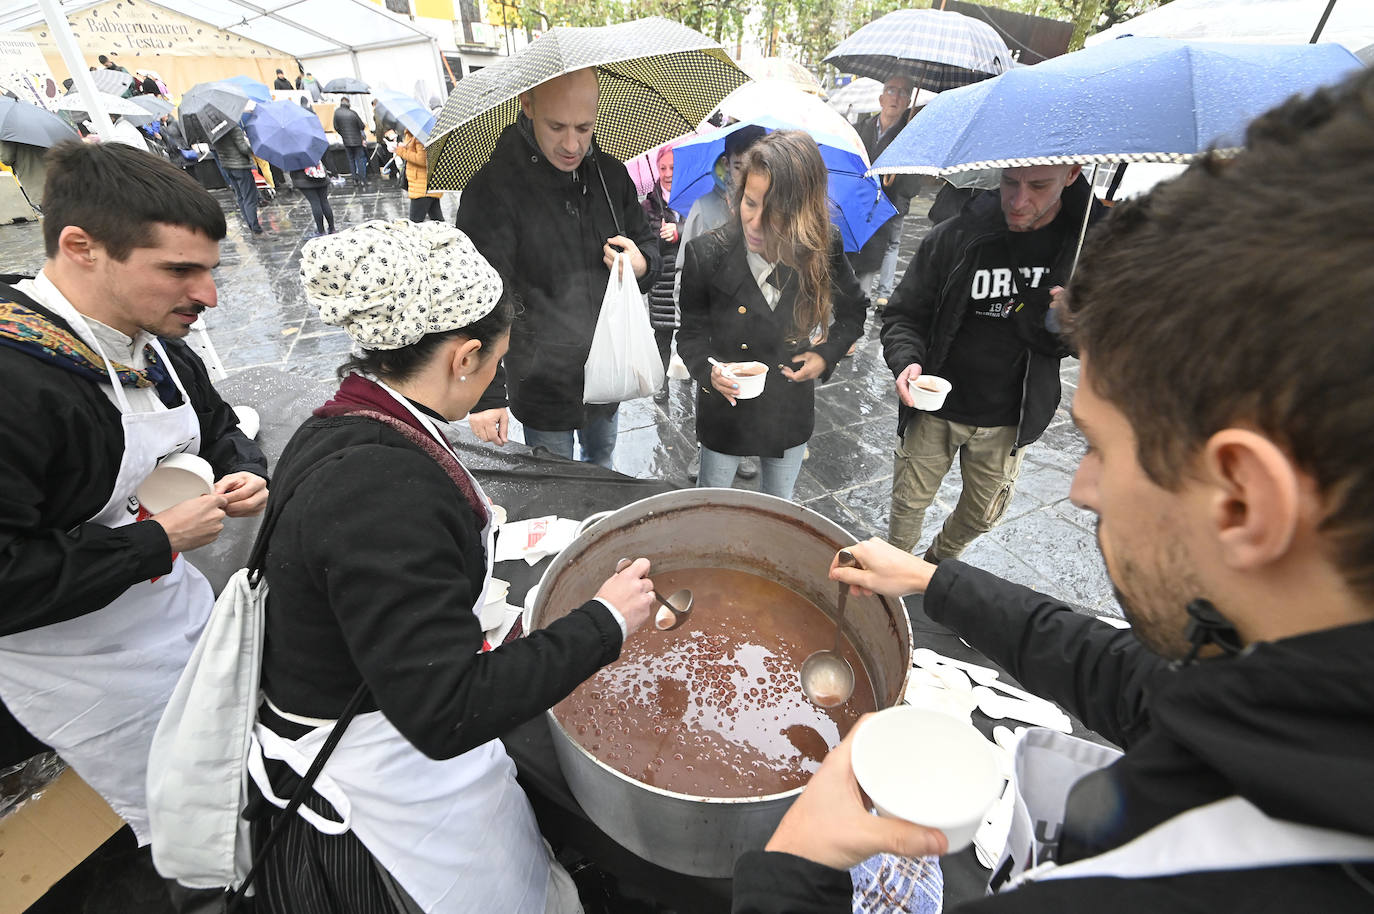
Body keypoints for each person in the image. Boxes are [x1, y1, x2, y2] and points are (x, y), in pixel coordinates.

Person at [735, 66, 1374, 913]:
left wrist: (791, 869)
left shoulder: (1180, 877)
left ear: (1243, 498)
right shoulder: (1296, 703)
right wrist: (932, 582)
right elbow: (1137, 682)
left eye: (1102, 447)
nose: (1079, 489)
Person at [247, 219, 657, 913]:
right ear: (463, 358)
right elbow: (448, 712)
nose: (497, 373)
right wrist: (606, 623)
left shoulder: (348, 420)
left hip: (377, 709)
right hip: (378, 785)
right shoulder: (381, 491)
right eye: (496, 360)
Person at [0, 140, 269, 847]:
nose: (208, 298)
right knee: (196, 822)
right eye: (179, 270)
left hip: (179, 609)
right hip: (82, 669)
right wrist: (156, 540)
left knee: (246, 774)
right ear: (81, 247)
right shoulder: (16, 384)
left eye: (210, 270)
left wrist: (246, 468)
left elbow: (219, 427)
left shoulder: (156, 343)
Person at [881, 164, 1102, 563]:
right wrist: (907, 361)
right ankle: (891, 571)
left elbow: (1091, 347)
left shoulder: (1082, 254)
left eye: (1038, 186)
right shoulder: (956, 236)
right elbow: (903, 315)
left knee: (983, 515)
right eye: (1010, 183)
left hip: (1010, 418)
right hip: (936, 407)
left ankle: (934, 567)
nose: (1019, 201)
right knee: (908, 505)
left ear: (1071, 175)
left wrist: (1078, 320)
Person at [456, 68, 660, 469]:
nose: (572, 145)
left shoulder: (611, 175)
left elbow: (647, 243)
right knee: (553, 477)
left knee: (602, 459)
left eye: (584, 127)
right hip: (541, 377)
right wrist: (487, 396)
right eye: (557, 126)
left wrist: (642, 263)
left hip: (609, 365)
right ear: (527, 105)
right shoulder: (493, 189)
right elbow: (476, 297)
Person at [677, 131, 867, 500]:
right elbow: (690, 336)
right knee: (711, 505)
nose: (755, 223)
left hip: (788, 404)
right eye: (750, 202)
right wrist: (708, 371)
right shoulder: (707, 254)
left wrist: (824, 355)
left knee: (776, 508)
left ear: (803, 212)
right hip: (725, 407)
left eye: (777, 212)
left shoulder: (822, 248)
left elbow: (853, 311)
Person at [675, 124, 768, 482]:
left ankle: (746, 448)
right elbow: (684, 268)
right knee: (714, 391)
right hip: (714, 330)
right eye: (741, 164)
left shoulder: (771, 211)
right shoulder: (704, 207)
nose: (747, 173)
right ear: (727, 163)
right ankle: (706, 449)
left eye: (757, 164)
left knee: (753, 385)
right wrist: (690, 320)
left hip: (754, 327)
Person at [851, 76, 925, 309]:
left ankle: (884, 293)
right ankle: (854, 291)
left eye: (903, 92)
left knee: (891, 243)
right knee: (861, 244)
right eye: (891, 90)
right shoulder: (863, 129)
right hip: (864, 200)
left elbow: (915, 174)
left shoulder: (910, 135)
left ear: (908, 102)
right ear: (881, 98)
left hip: (893, 201)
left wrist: (898, 184)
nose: (896, 96)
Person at [640, 144, 680, 403]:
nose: (667, 173)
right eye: (662, 167)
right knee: (662, 337)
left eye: (672, 168)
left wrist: (681, 229)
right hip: (663, 283)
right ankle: (661, 383)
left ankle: (692, 372)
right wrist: (662, 238)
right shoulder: (648, 205)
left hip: (689, 278)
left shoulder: (691, 197)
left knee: (692, 333)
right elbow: (644, 241)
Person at [211, 122, 264, 236]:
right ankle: (256, 227)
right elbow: (243, 149)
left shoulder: (213, 130)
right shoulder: (233, 127)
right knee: (249, 197)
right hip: (240, 166)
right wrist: (252, 146)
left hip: (226, 166)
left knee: (240, 196)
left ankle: (250, 224)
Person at [395, 128, 443, 222]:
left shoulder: (421, 135)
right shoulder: (414, 133)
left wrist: (401, 151)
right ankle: (448, 236)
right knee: (438, 221)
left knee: (415, 223)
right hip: (425, 186)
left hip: (421, 187)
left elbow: (423, 160)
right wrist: (404, 147)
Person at [288, 157, 335, 237]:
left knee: (315, 202)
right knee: (324, 201)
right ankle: (332, 229)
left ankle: (321, 231)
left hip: (303, 179)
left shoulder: (290, 151)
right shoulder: (311, 146)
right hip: (320, 175)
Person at [1, 140, 48, 210]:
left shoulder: (6, 133)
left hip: (36, 181)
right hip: (57, 176)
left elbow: (7, 158)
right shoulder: (40, 130)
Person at [333, 96, 368, 187]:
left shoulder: (337, 113)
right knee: (359, 160)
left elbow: (336, 127)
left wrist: (343, 134)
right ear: (348, 104)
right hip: (357, 140)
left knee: (351, 160)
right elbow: (362, 126)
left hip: (346, 141)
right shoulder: (353, 113)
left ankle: (354, 179)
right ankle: (362, 179)